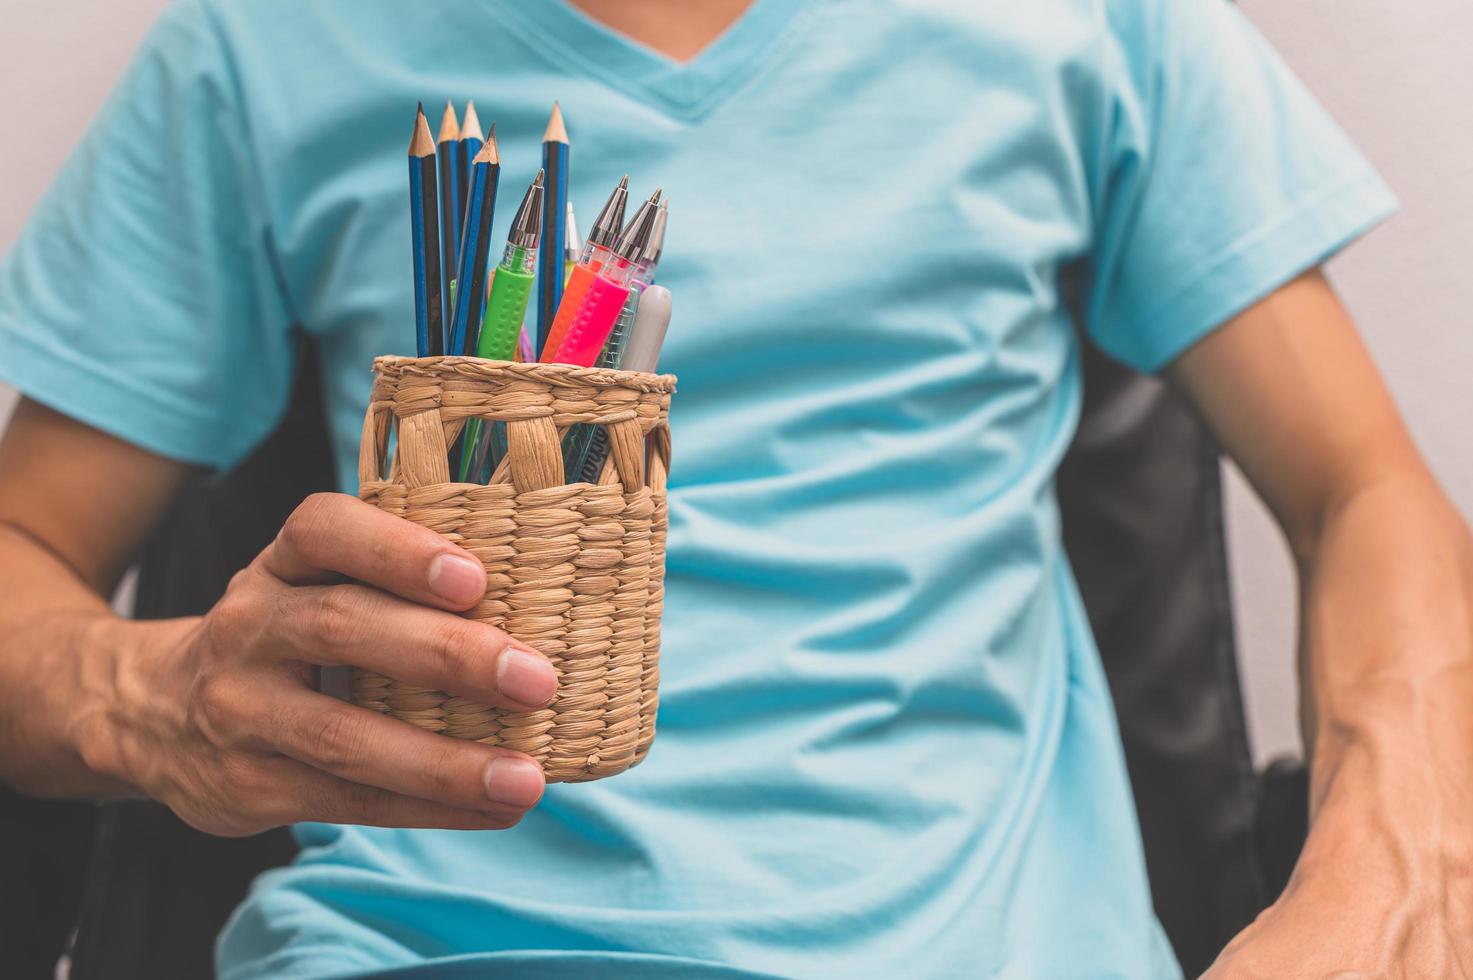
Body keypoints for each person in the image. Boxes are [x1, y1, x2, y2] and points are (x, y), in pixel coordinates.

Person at [0, 0, 1468, 976]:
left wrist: (1381, 864)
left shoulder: (1086, 22)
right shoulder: (267, 37)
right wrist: (154, 694)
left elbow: (1363, 489)